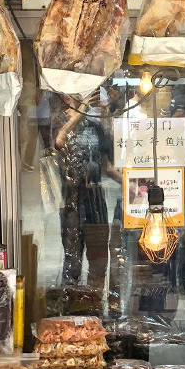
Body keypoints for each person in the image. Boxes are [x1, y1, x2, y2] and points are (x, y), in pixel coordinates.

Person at [55, 87, 124, 289]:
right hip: (72, 198)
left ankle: (94, 301)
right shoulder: (61, 121)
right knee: (72, 256)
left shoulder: (95, 126)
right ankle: (71, 300)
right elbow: (59, 142)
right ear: (69, 97)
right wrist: (82, 111)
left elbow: (107, 166)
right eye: (82, 94)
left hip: (95, 197)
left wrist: (131, 184)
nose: (87, 98)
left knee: (98, 257)